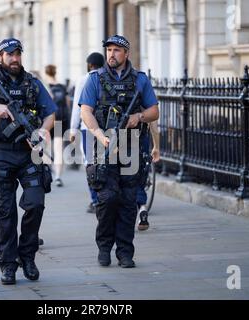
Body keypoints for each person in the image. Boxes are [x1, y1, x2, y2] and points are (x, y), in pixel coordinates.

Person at [0, 38, 56, 285]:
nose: (15, 58)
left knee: (35, 203)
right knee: (6, 212)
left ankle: (27, 257)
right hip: (1, 154)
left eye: (18, 54)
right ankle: (8, 265)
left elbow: (50, 113)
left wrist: (44, 131)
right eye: (10, 54)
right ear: (0, 57)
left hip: (29, 152)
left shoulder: (32, 83)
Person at [79, 35, 159, 268]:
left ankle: (125, 252)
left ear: (126, 54)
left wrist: (138, 117)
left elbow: (154, 111)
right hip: (103, 146)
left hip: (132, 147)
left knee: (127, 201)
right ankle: (104, 247)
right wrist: (99, 135)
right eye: (109, 50)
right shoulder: (95, 79)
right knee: (107, 199)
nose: (111, 54)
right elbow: (86, 111)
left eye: (116, 50)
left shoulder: (140, 80)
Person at [70, 52, 105, 213]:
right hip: (106, 128)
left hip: (87, 128)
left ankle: (95, 199)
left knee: (89, 163)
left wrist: (72, 129)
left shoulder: (84, 79)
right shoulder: (108, 77)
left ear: (89, 65)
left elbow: (78, 107)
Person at [44, 64, 70, 187]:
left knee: (47, 149)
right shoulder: (62, 86)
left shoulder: (45, 87)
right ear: (55, 72)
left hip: (48, 121)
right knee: (59, 150)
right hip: (60, 120)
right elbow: (67, 105)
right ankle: (58, 177)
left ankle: (49, 172)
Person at [136, 122, 160, 231]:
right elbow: (153, 123)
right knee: (140, 172)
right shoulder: (144, 104)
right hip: (141, 136)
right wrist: (156, 146)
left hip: (118, 138)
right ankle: (142, 207)